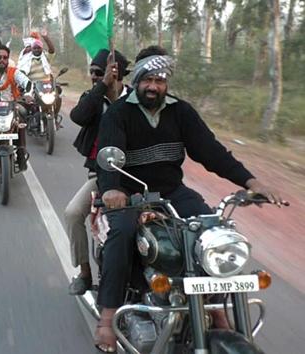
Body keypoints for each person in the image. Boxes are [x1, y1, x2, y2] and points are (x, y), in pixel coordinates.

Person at [93, 45, 284, 353]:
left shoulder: (180, 111)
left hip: (171, 191)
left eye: (160, 80)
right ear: (138, 79)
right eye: (148, 80)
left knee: (212, 231)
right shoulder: (118, 113)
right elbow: (109, 157)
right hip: (132, 193)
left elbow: (211, 152)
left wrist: (251, 181)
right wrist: (113, 190)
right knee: (122, 233)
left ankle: (213, 306)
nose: (154, 86)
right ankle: (107, 318)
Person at [64, 49, 131, 296]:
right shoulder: (92, 98)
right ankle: (84, 273)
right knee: (72, 214)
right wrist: (102, 86)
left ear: (118, 74)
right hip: (101, 177)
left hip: (136, 176)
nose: (93, 77)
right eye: (92, 73)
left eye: (98, 72)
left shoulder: (135, 99)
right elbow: (78, 116)